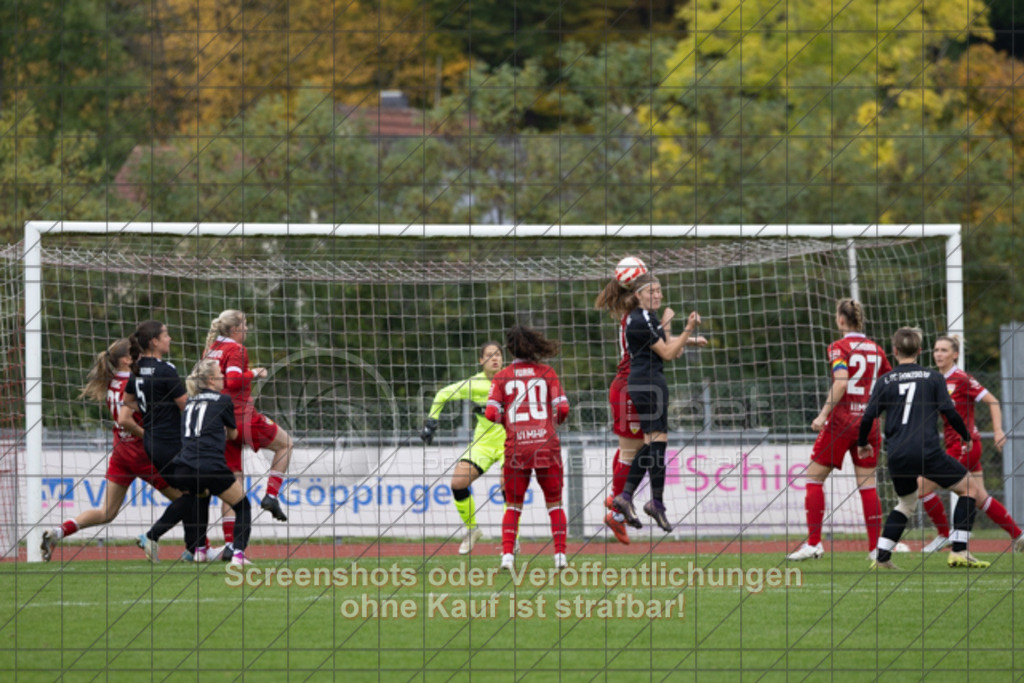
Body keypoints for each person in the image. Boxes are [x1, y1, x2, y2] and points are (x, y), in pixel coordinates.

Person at [859, 327, 990, 569]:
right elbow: (949, 412)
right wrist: (965, 435)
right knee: (970, 488)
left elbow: (867, 418)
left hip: (897, 455)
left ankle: (882, 557)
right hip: (927, 451)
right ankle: (959, 551)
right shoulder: (933, 378)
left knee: (906, 503)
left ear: (895, 351)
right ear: (920, 351)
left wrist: (862, 444)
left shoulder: (884, 380)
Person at [40, 339, 182, 561]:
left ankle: (59, 532)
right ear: (127, 360)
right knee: (187, 498)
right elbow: (134, 418)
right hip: (143, 453)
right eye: (136, 353)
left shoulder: (112, 382)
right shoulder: (136, 382)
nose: (141, 356)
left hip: (121, 452)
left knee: (107, 512)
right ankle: (192, 547)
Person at [595, 273, 706, 544]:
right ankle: (625, 503)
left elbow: (665, 347)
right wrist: (687, 328)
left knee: (652, 445)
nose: (658, 295)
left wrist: (684, 337)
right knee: (641, 448)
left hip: (645, 382)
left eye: (659, 290)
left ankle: (634, 500)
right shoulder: (640, 318)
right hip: (642, 384)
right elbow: (667, 352)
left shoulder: (646, 318)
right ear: (637, 294)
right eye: (652, 290)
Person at [787, 299, 898, 562]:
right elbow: (888, 384)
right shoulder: (876, 350)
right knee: (868, 485)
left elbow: (841, 382)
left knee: (814, 479)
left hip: (841, 423)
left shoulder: (838, 347)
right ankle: (875, 550)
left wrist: (823, 414)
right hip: (869, 424)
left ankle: (814, 544)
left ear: (840, 320)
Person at [919, 335, 1023, 553]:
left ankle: (943, 535)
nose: (938, 354)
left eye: (944, 350)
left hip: (963, 446)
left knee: (921, 485)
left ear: (955, 354)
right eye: (936, 350)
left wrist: (997, 430)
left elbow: (992, 400)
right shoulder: (938, 380)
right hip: (960, 446)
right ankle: (1019, 536)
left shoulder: (962, 379)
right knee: (981, 497)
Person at [204, 310, 292, 560]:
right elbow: (232, 380)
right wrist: (255, 373)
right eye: (244, 325)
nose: (247, 329)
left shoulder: (210, 349)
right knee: (285, 444)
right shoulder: (237, 350)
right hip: (241, 416)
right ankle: (272, 495)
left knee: (234, 483)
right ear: (234, 329)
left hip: (218, 421)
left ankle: (232, 546)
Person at [485, 325, 570, 570]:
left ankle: (507, 557)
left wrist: (508, 423)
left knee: (513, 504)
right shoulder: (547, 372)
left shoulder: (502, 377)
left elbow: (491, 412)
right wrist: (553, 423)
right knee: (554, 502)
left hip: (516, 448)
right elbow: (563, 408)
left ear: (510, 349)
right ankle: (560, 557)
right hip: (546, 445)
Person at [419, 342, 507, 554]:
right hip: (483, 444)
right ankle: (472, 530)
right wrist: (431, 423)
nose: (494, 358)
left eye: (498, 355)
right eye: (489, 355)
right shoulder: (473, 384)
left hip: (510, 442)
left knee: (509, 486)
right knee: (458, 483)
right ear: (481, 360)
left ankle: (511, 539)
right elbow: (441, 395)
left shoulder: (512, 380)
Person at [166, 359, 252, 567]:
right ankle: (238, 556)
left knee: (201, 498)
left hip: (183, 466)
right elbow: (233, 434)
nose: (224, 377)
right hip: (209, 464)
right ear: (212, 379)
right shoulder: (223, 400)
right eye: (220, 374)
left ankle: (200, 551)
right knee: (243, 506)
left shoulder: (190, 401)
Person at [122, 321, 192, 562]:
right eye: (166, 335)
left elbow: (124, 417)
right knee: (196, 492)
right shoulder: (166, 370)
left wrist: (147, 434)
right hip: (171, 442)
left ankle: (193, 550)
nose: (170, 339)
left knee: (192, 492)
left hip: (153, 444)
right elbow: (186, 407)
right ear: (154, 341)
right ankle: (152, 536)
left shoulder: (138, 369)